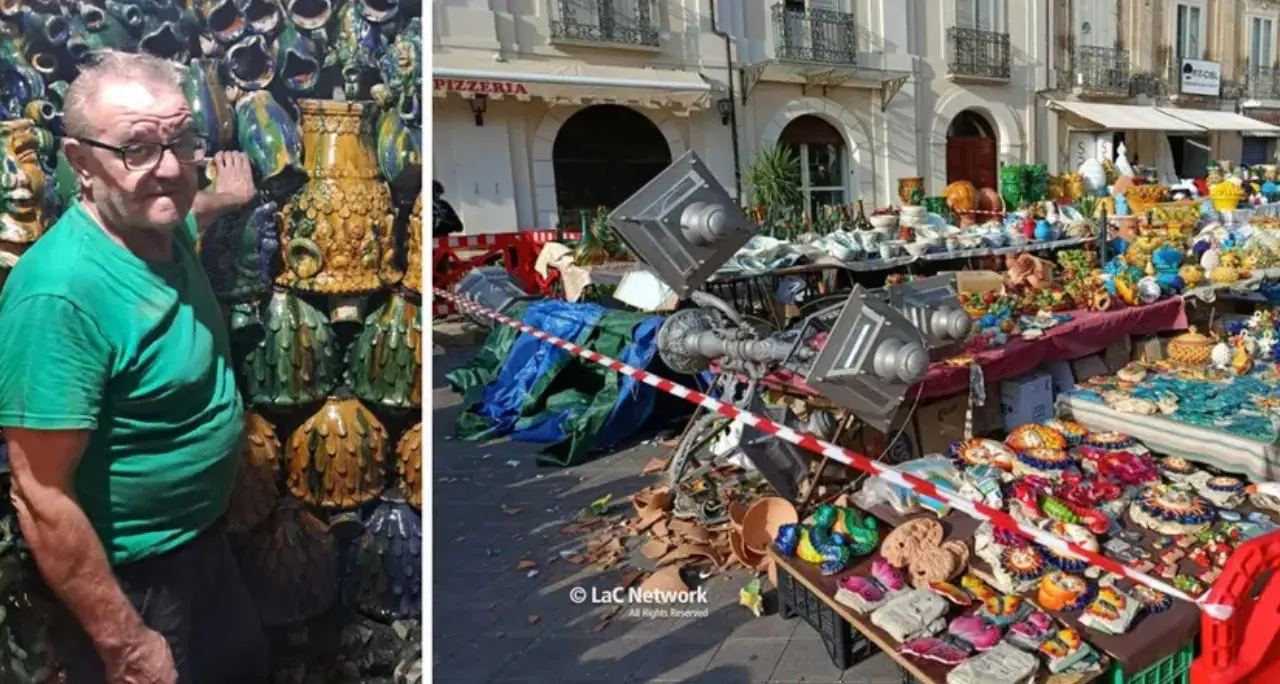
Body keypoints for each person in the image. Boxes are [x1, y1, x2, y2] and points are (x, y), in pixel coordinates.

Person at [0, 51, 267, 684]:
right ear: (80, 165)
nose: (171, 168)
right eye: (137, 149)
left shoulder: (155, 225)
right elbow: (39, 495)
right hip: (136, 585)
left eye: (182, 140)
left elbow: (174, 205)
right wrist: (126, 646)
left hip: (203, 550)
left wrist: (218, 200)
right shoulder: (60, 296)